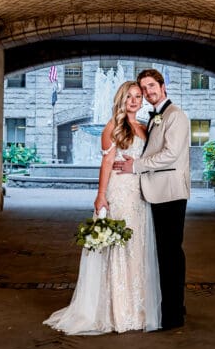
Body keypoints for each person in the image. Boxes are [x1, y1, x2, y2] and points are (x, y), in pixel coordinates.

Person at [44, 81, 162, 334]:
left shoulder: (143, 127)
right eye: (129, 96)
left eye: (138, 96)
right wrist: (100, 196)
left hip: (139, 194)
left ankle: (137, 307)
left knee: (137, 247)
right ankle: (117, 310)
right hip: (119, 192)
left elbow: (147, 160)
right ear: (121, 99)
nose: (134, 100)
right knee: (119, 248)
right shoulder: (113, 127)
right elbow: (107, 163)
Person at [114, 68, 191, 330]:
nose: (147, 92)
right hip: (156, 192)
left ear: (162, 85)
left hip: (170, 193)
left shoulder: (176, 116)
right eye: (143, 89)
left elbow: (170, 154)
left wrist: (135, 166)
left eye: (150, 86)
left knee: (171, 253)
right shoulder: (157, 117)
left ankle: (173, 315)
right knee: (163, 253)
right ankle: (171, 305)